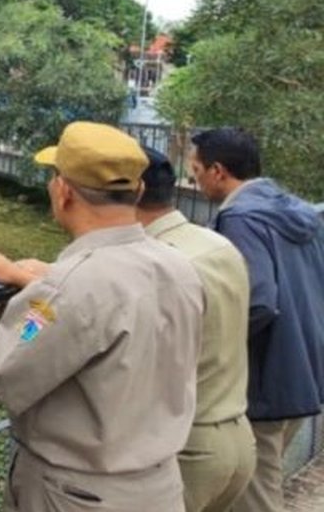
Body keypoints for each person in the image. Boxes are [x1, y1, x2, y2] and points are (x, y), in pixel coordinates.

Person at [0, 121, 204, 512]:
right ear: (139, 190)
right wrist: (30, 277)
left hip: (78, 496)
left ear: (63, 192)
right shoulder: (178, 267)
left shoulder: (67, 290)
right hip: (158, 487)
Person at [189, 127, 324, 512]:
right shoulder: (295, 210)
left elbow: (257, 301)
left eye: (196, 171)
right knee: (263, 482)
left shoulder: (241, 219)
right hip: (305, 369)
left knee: (256, 496)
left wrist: (212, 347)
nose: (196, 182)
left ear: (218, 171)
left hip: (266, 380)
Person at [140, 145, 256, 511]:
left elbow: (14, 359)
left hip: (185, 449)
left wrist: (41, 297)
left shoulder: (153, 264)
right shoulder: (214, 244)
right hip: (236, 436)